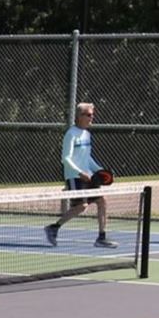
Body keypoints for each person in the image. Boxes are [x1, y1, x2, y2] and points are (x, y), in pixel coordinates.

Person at [45, 101, 115, 248]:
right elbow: (66, 158)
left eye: (92, 115)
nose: (92, 118)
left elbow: (87, 158)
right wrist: (79, 172)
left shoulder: (87, 135)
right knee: (82, 206)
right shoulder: (71, 134)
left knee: (102, 201)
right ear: (80, 116)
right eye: (89, 115)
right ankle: (54, 227)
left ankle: (101, 237)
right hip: (74, 176)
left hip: (88, 176)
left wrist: (99, 170)